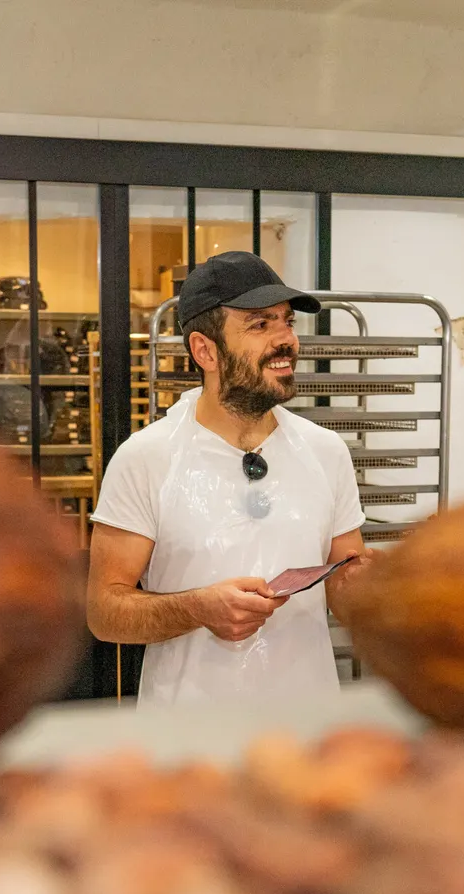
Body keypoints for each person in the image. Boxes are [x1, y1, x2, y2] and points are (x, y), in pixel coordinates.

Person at [87, 251, 370, 704]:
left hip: (305, 730)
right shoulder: (146, 458)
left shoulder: (326, 452)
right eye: (260, 325)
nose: (286, 340)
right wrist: (195, 608)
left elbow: (346, 584)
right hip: (189, 741)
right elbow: (105, 612)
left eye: (287, 322)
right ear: (205, 350)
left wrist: (378, 588)